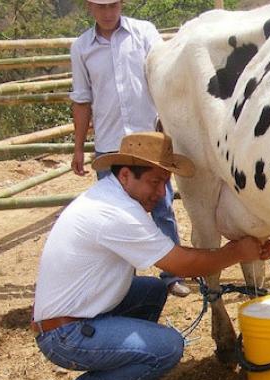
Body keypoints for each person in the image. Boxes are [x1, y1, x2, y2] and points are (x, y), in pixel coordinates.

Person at [32, 132, 270, 380]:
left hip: (75, 315)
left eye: (165, 183)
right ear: (125, 175)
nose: (161, 193)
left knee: (152, 290)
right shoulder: (115, 213)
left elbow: (172, 254)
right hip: (64, 336)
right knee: (169, 347)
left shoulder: (110, 196)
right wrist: (236, 250)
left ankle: (131, 361)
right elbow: (181, 264)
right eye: (154, 182)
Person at [69, 0, 190, 297]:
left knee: (161, 206)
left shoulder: (144, 33)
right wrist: (79, 147)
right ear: (90, 8)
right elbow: (82, 99)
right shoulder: (82, 47)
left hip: (149, 140)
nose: (108, 12)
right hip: (110, 144)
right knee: (114, 216)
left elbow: (165, 78)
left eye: (113, 5)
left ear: (121, 4)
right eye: (101, 7)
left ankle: (172, 274)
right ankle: (123, 282)